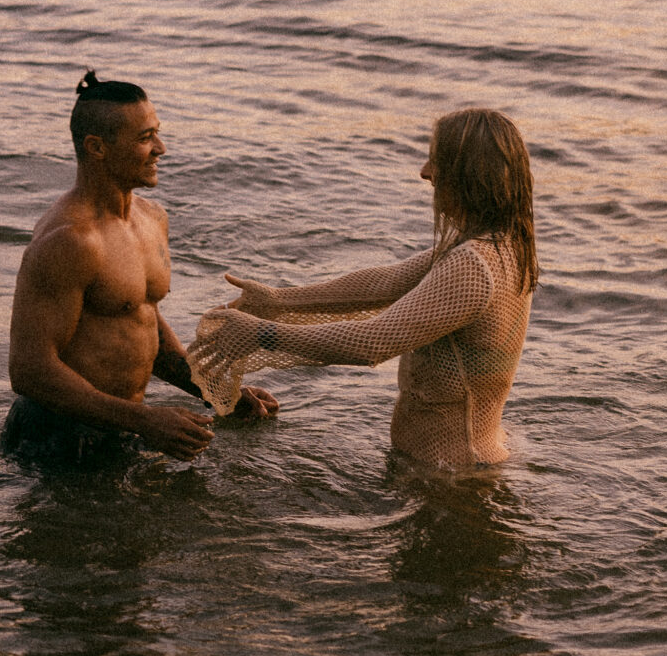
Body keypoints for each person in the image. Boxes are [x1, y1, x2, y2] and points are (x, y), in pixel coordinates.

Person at [193, 107, 537, 468]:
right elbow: (384, 283)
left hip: (452, 475)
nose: (425, 172)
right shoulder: (497, 243)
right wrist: (277, 300)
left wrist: (262, 334)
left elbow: (372, 342)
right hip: (457, 465)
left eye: (437, 161)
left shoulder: (474, 264)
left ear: (470, 175)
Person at [4, 71, 277, 464]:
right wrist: (146, 421)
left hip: (123, 426)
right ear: (97, 147)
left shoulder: (151, 219)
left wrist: (218, 393)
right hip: (57, 439)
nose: (160, 149)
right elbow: (29, 370)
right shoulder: (71, 241)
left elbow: (141, 320)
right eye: (144, 138)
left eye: (157, 133)